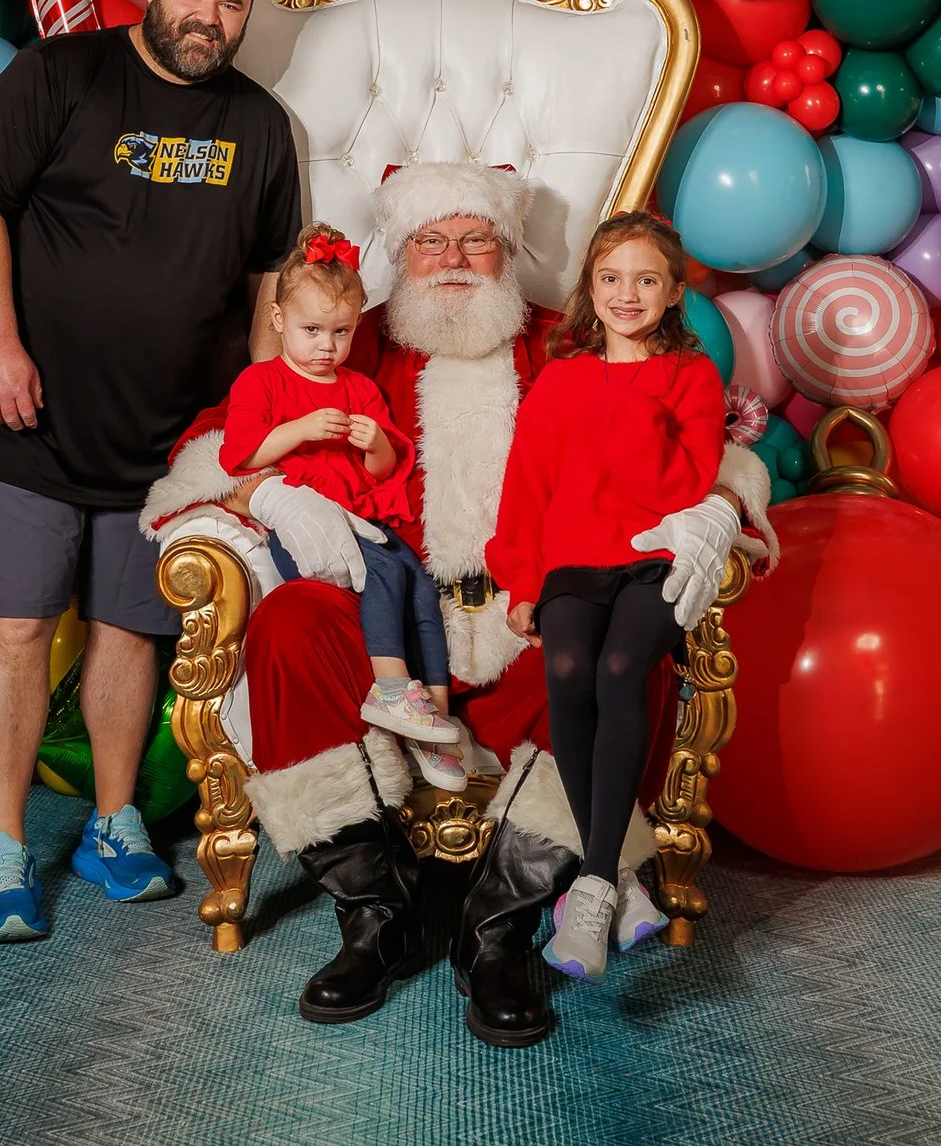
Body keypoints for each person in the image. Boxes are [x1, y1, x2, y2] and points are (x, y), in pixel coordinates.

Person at [144, 162, 777, 1046]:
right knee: (286, 625)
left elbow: (709, 436)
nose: (453, 259)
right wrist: (261, 495)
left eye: (475, 238)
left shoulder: (568, 338)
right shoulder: (349, 339)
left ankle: (499, 928)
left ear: (507, 250)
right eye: (429, 240)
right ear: (400, 255)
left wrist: (719, 505)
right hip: (392, 623)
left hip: (529, 613)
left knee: (629, 663)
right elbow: (218, 440)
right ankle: (375, 911)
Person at [0, 0, 299, 943]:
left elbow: (270, 280)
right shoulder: (60, 76)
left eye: (231, 5)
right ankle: (5, 850)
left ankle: (111, 822)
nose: (210, 19)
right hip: (29, 415)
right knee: (15, 628)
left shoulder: (260, 126)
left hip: (165, 439)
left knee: (129, 630)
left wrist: (250, 420)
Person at [486, 212, 724, 980]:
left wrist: (635, 409)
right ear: (591, 289)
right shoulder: (561, 378)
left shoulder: (690, 377)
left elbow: (687, 482)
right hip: (571, 563)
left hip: (651, 556)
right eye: (611, 279)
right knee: (566, 673)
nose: (628, 294)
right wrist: (521, 579)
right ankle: (614, 878)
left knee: (622, 669)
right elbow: (527, 486)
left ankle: (588, 887)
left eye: (647, 280)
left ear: (674, 293)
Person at [218, 223, 466, 792]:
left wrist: (374, 442)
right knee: (381, 570)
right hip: (307, 524)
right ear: (278, 321)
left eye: (341, 332)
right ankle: (391, 687)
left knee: (417, 581)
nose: (327, 346)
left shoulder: (357, 387)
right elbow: (241, 455)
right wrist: (300, 428)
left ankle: (432, 722)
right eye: (312, 330)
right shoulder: (262, 382)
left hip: (363, 515)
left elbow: (384, 468)